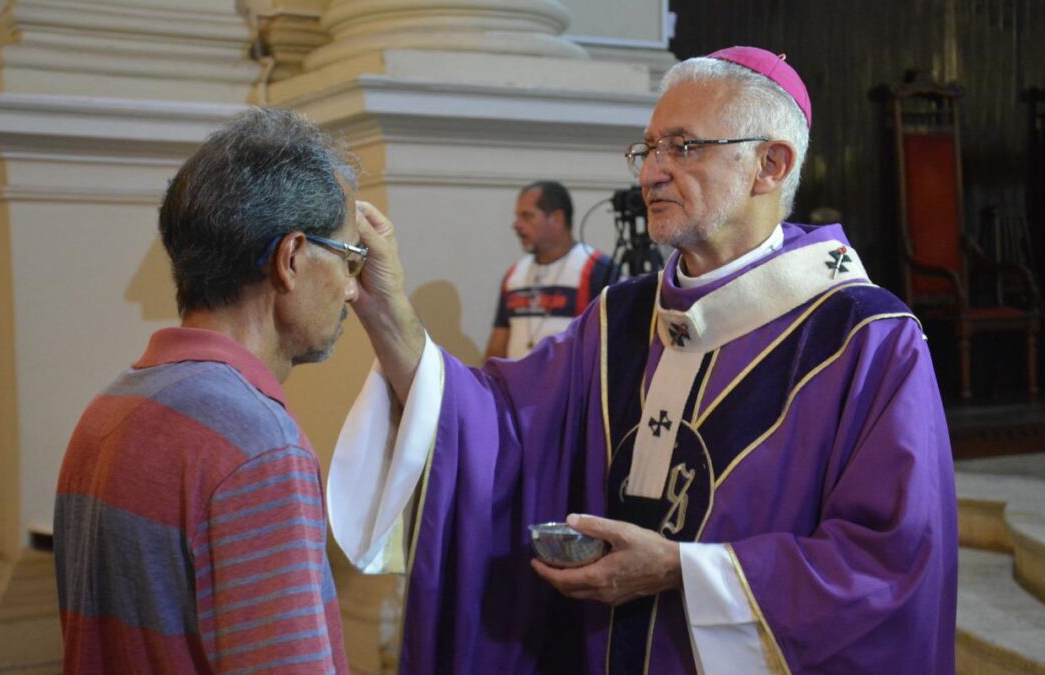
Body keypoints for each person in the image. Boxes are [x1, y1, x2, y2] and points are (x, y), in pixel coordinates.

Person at [329, 46, 958, 674]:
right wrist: (385, 309)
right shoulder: (619, 319)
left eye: (682, 148)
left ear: (770, 164)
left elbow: (891, 562)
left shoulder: (865, 339)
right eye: (648, 148)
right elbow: (495, 427)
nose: (651, 173)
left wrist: (683, 571)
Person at [54, 108, 358, 674]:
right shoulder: (259, 447)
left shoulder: (110, 407)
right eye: (349, 258)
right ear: (291, 259)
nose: (352, 289)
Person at [485, 180, 619, 361]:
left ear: (556, 218)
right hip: (517, 388)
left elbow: (613, 346)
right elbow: (497, 345)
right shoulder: (514, 274)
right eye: (518, 216)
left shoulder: (598, 270)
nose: (516, 225)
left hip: (570, 388)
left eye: (527, 216)